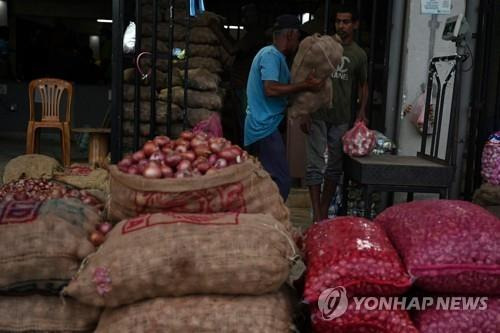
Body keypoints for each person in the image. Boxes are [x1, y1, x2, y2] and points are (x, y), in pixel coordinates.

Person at [244, 14, 324, 201]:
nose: (298, 42)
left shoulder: (276, 57)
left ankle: (263, 221)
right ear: (289, 35)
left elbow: (281, 94)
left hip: (265, 127)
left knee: (264, 180)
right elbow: (270, 89)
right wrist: (305, 85)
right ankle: (273, 222)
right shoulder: (270, 56)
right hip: (263, 128)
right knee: (281, 182)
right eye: (297, 37)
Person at [300, 5, 369, 222]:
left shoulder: (359, 55)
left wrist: (361, 112)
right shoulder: (322, 47)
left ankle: (321, 211)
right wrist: (305, 110)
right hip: (318, 114)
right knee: (314, 165)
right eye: (338, 21)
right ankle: (317, 215)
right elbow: (307, 78)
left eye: (346, 21)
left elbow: (363, 86)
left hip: (341, 118)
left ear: (355, 24)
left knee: (334, 167)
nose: (341, 26)